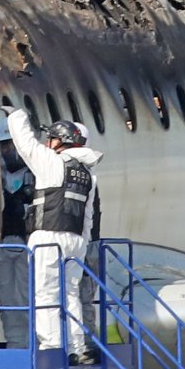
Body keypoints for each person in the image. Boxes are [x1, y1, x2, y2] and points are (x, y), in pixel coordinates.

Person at [0, 106, 103, 365]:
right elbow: (88, 215)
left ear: (63, 142)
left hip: (49, 237)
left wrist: (17, 115)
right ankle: (77, 347)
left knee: (45, 293)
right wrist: (83, 243)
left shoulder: (52, 162)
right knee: (70, 294)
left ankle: (53, 346)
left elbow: (26, 145)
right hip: (76, 240)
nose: (48, 142)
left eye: (52, 138)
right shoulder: (88, 175)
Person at [0, 107, 34, 347]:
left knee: (27, 296)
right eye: (3, 146)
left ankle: (33, 341)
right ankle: (16, 342)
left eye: (11, 145)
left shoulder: (37, 172)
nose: (8, 151)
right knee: (7, 298)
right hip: (2, 244)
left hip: (28, 245)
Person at [74, 122, 102, 344]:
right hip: (88, 244)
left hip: (84, 246)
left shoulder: (80, 177)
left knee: (80, 297)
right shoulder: (89, 176)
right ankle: (87, 342)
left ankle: (86, 343)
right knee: (83, 300)